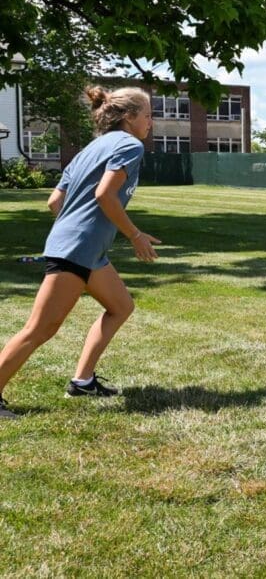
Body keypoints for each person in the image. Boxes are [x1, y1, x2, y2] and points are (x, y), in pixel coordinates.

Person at [0, 86, 160, 420]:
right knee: (40, 329)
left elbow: (54, 202)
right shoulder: (129, 145)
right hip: (78, 250)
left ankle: (83, 381)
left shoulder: (91, 148)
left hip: (86, 250)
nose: (151, 122)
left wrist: (72, 229)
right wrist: (135, 235)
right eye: (147, 115)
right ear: (129, 118)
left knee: (121, 306)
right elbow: (105, 194)